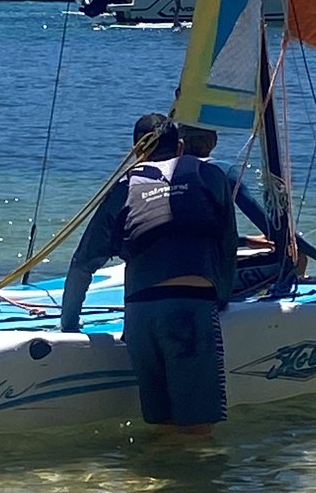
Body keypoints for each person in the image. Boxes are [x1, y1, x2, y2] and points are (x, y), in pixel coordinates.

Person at [60, 113, 238, 434]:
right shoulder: (209, 175)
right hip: (189, 310)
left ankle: (151, 483)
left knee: (163, 428)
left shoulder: (123, 187)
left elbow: (83, 263)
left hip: (141, 317)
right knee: (197, 433)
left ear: (137, 150)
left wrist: (69, 326)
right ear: (181, 146)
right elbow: (227, 248)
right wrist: (221, 299)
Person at [177, 124, 316, 276]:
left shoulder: (162, 171)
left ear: (179, 142)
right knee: (295, 255)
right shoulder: (220, 170)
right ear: (214, 141)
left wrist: (246, 241)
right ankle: (279, 302)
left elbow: (185, 234)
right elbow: (272, 228)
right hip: (206, 273)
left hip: (166, 266)